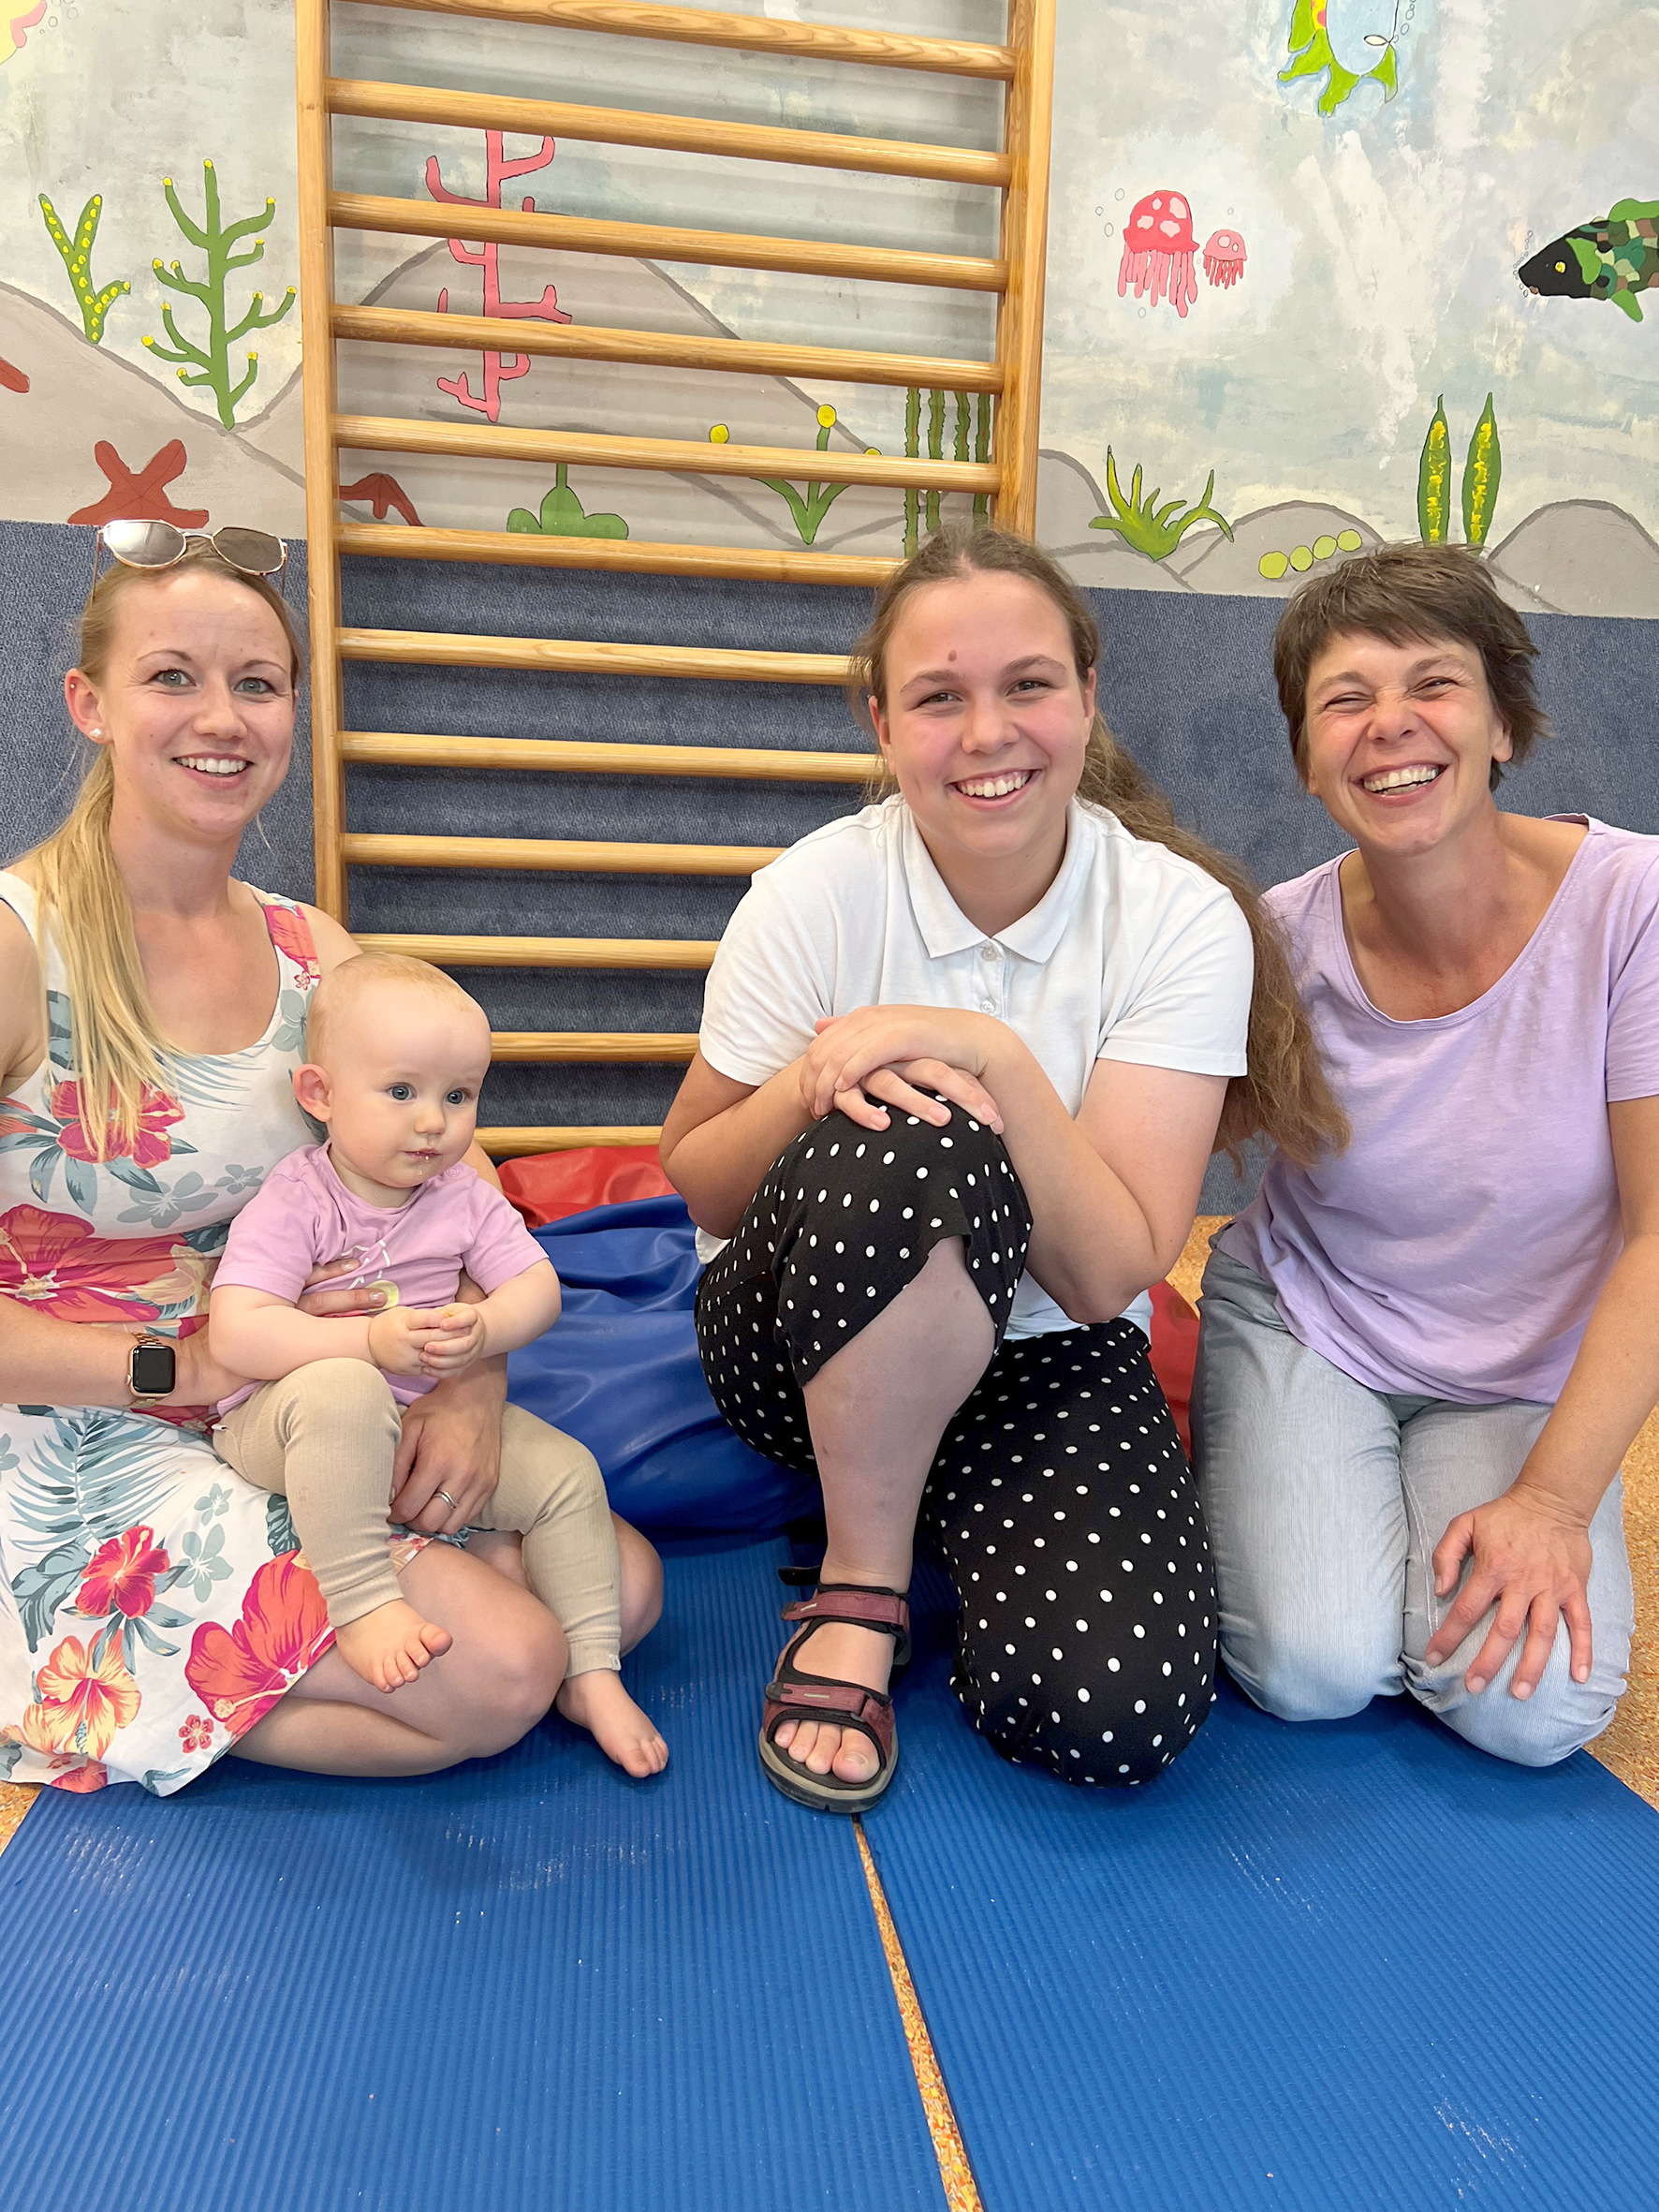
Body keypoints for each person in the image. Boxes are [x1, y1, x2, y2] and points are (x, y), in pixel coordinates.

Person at [659, 525, 1345, 1812]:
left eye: (1028, 684)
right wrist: (813, 1090)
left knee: (1116, 1711)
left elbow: (1106, 1276)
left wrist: (996, 1060)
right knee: (919, 1136)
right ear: (882, 722)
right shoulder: (813, 894)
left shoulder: (1176, 916)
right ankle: (862, 1581)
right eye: (938, 696)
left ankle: (933, 1504)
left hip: (1041, 1349)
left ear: (1088, 695)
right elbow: (697, 1178)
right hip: (797, 1338)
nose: (988, 731)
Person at [0, 525, 661, 1795]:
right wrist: (167, 1360)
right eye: (172, 677)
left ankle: (220, 1668)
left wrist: (473, 1380)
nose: (222, 717)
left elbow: (456, 1195)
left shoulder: (319, 951)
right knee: (510, 1666)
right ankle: (71, 1680)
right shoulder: (22, 943)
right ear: (90, 702)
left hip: (301, 1399)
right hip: (83, 1423)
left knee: (617, 1586)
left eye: (257, 682)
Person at [1194, 541, 1648, 1765]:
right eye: (1346, 698)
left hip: (1516, 1361)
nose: (1391, 725)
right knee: (1314, 1667)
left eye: (1434, 683)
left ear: (1505, 722)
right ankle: (1280, 1454)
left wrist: (1551, 1501)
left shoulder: (1634, 908)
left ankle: (1407, 1503)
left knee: (1532, 1707)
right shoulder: (1277, 942)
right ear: (1306, 757)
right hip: (1315, 1321)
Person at [209, 951, 668, 1776]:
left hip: (407, 1419)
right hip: (281, 1421)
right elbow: (237, 1335)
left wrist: (486, 1327)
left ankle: (592, 1670)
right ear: (319, 1096)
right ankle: (364, 1605)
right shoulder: (299, 1195)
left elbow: (538, 1285)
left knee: (568, 1475)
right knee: (346, 1391)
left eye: (458, 1097)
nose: (433, 1123)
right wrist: (366, 1346)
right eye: (402, 1092)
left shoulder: (461, 1194)